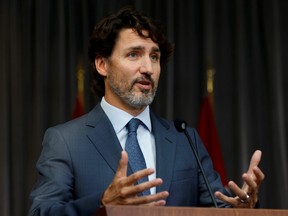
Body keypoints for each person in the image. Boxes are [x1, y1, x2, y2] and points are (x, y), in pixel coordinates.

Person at [29, 6, 264, 216]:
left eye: (155, 57)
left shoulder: (184, 139)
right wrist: (102, 204)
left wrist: (241, 211)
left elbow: (216, 208)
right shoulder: (66, 140)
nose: (148, 68)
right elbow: (42, 212)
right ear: (102, 64)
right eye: (134, 54)